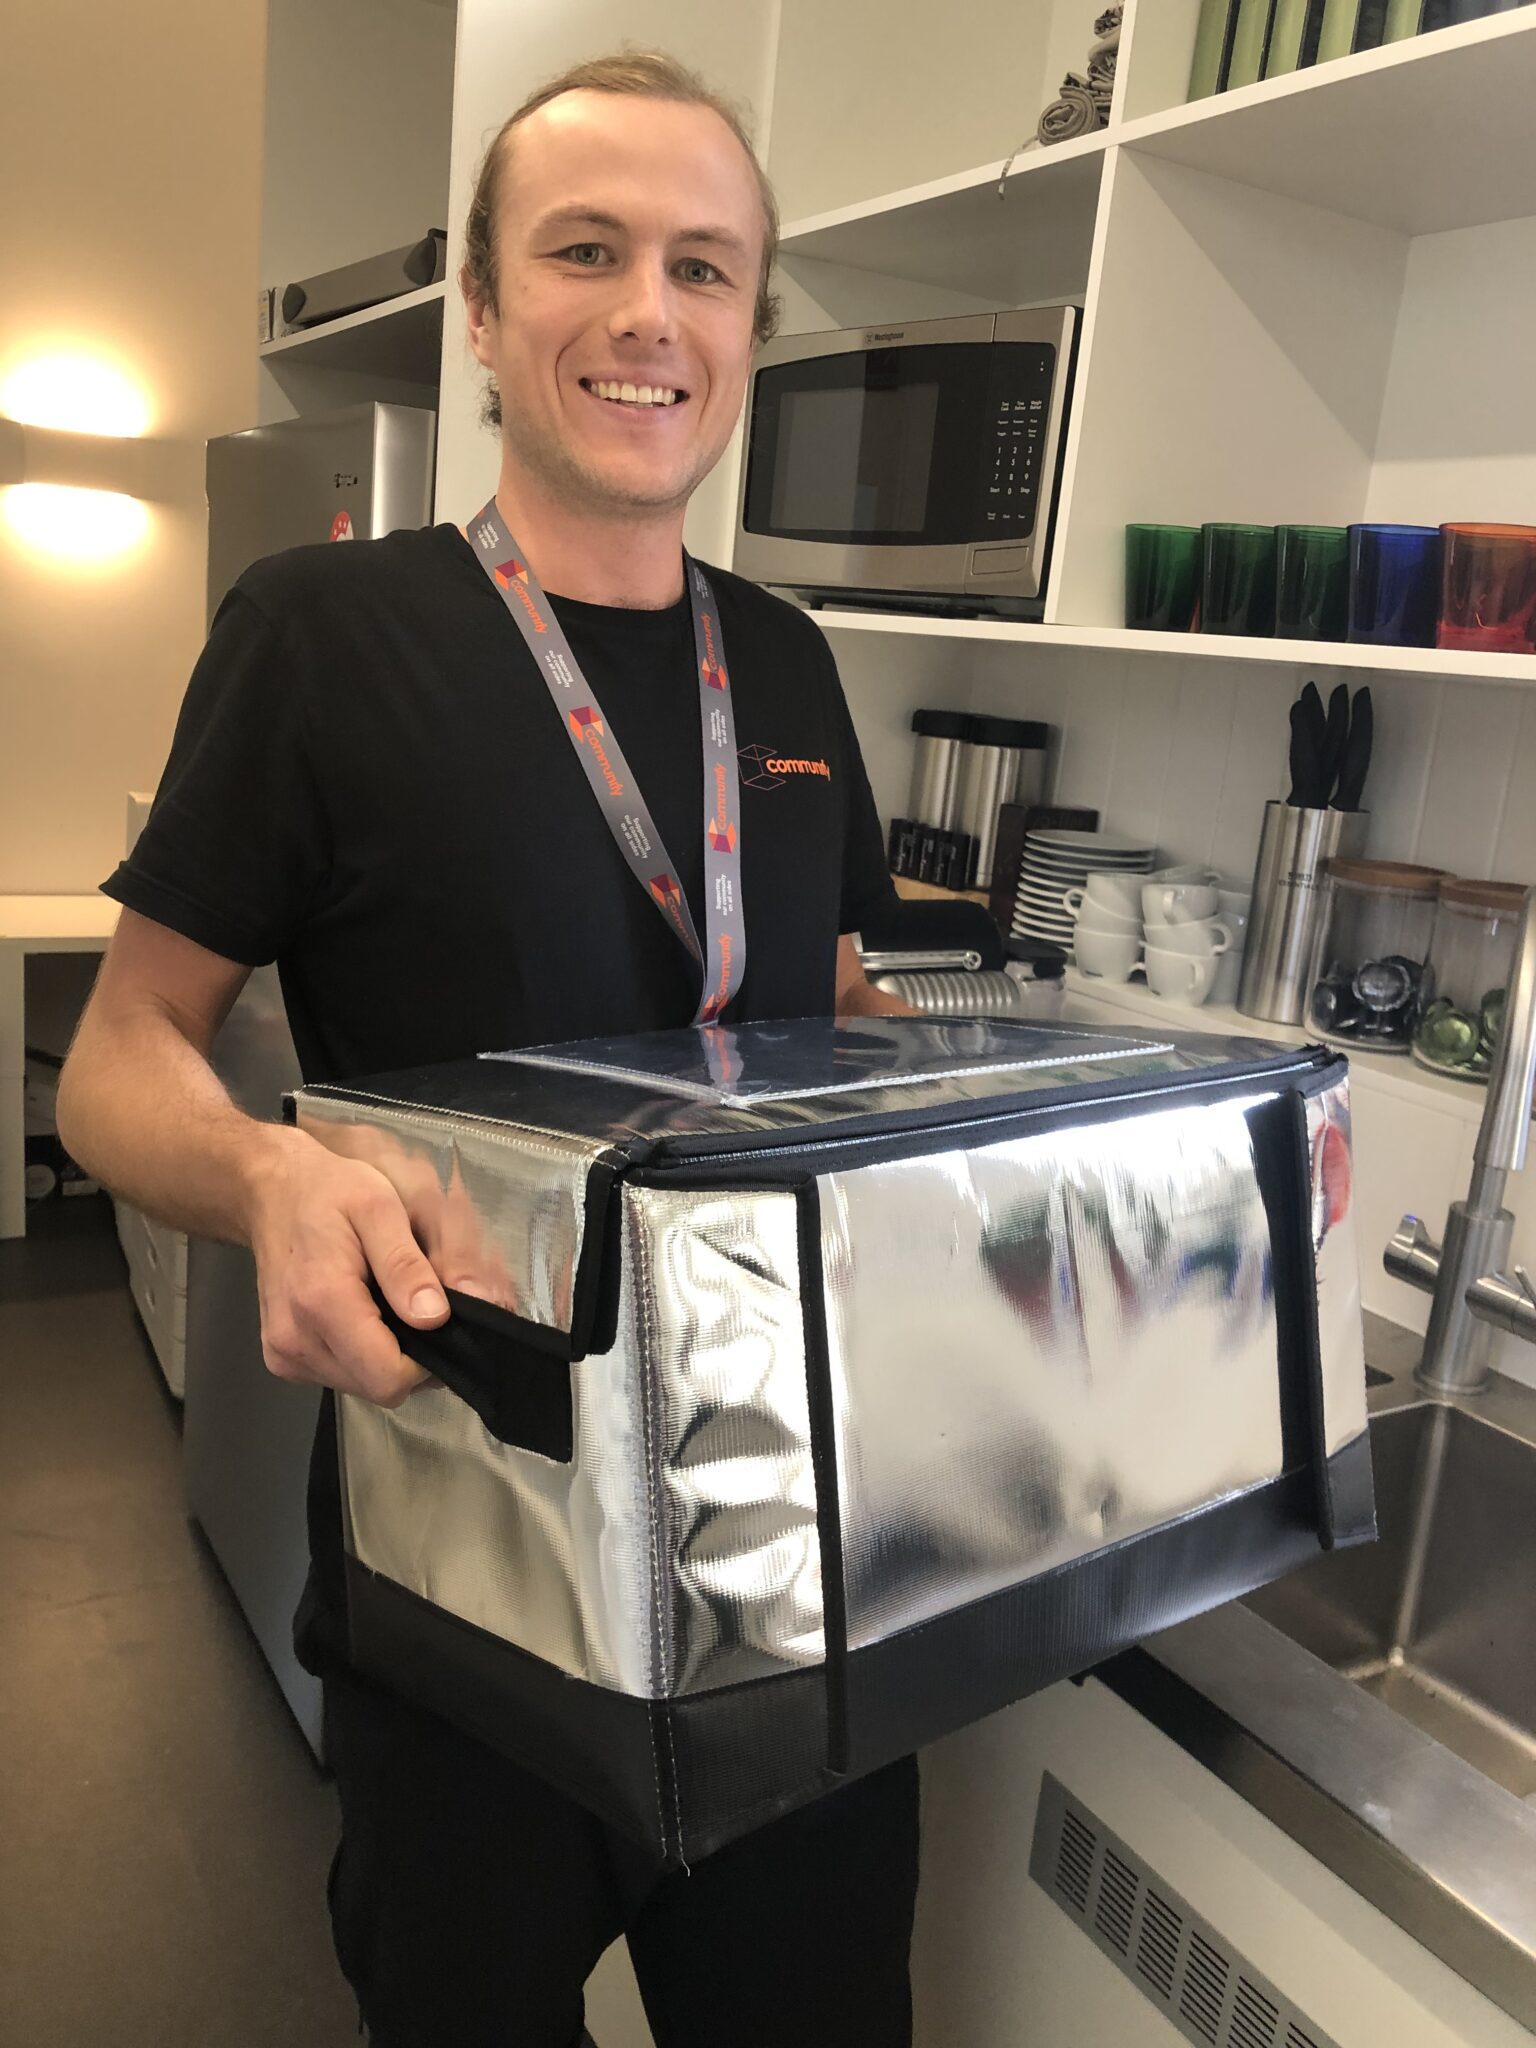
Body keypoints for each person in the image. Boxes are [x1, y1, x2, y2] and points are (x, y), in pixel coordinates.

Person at [58, 46, 921, 2048]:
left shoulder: (784, 660)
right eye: (586, 251)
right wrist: (271, 1167)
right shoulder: (321, 633)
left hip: (783, 1580)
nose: (648, 312)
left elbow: (822, 1008)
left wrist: (1058, 1126)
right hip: (469, 1595)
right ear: (483, 305)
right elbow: (116, 1059)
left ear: (751, 326)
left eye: (707, 268)